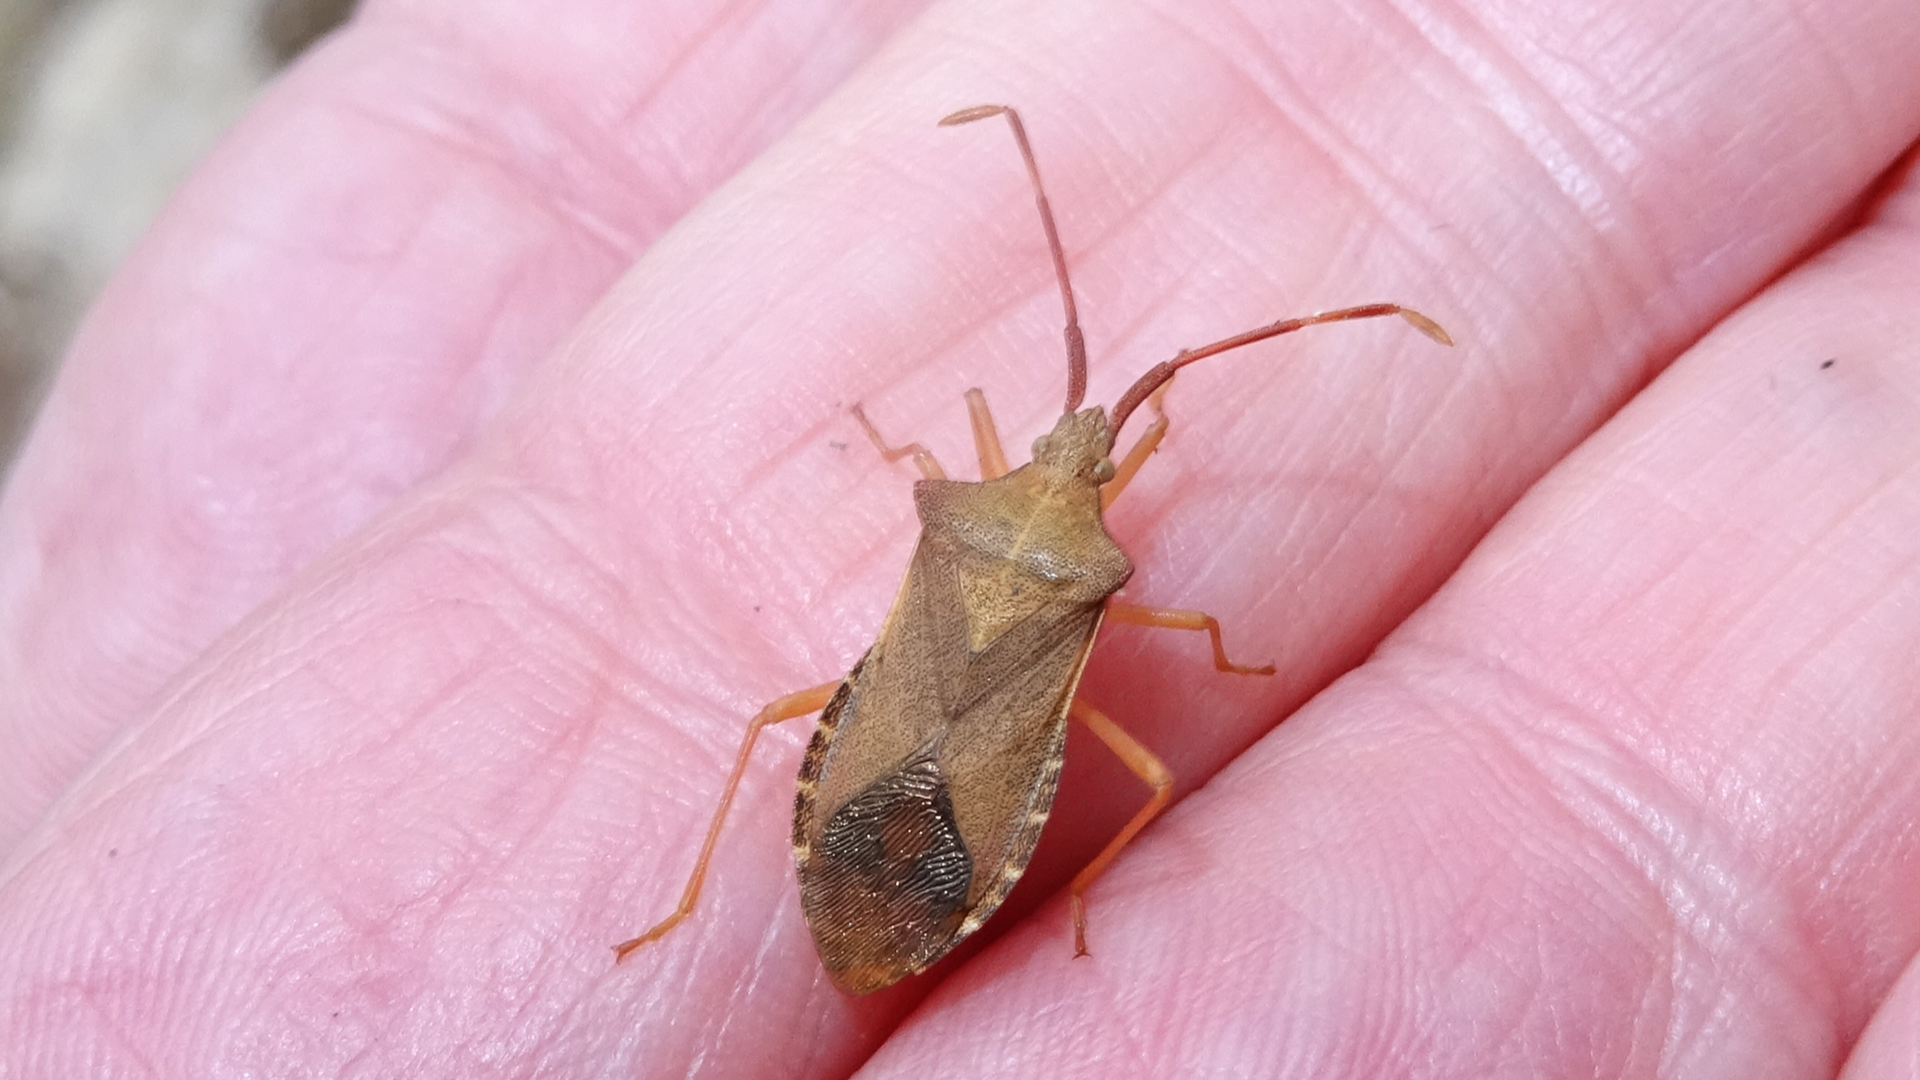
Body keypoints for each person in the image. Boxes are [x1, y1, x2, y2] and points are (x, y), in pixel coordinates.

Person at [3, 0, 1919, 1074]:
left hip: (907, 761)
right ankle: (722, 917)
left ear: (1073, 490)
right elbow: (1081, 539)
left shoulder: (1023, 532)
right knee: (1127, 755)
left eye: (1100, 443)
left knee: (793, 722)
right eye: (1093, 439)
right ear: (1073, 493)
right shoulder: (1073, 562)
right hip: (944, 788)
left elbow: (1031, 463)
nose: (1090, 444)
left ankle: (712, 917)